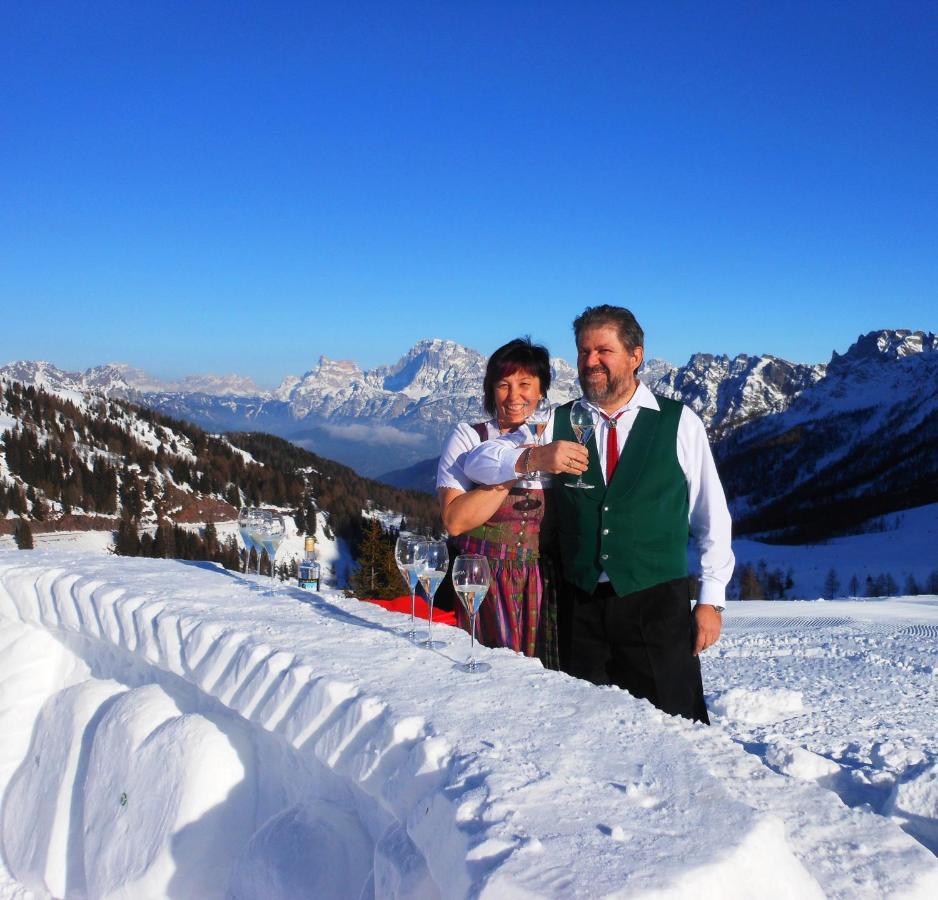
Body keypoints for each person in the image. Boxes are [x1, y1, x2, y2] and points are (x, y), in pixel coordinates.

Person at [462, 306, 734, 723]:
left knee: (677, 728)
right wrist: (535, 456)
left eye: (603, 350)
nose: (590, 362)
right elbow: (478, 463)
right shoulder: (557, 421)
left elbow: (711, 517)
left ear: (635, 356)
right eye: (583, 351)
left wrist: (711, 601)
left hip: (656, 604)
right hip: (580, 605)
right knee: (587, 730)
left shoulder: (679, 423)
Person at [436, 338, 560, 668]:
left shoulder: (555, 440)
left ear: (541, 390)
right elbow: (454, 520)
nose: (514, 396)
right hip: (479, 579)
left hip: (537, 582)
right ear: (491, 390)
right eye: (503, 385)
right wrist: (524, 463)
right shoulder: (469, 437)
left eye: (525, 384)